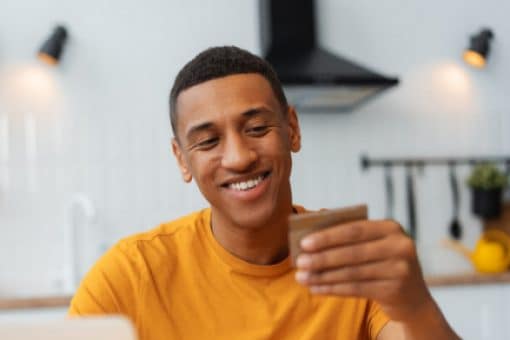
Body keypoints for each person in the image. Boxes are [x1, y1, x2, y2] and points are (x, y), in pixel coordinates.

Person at [69, 46, 459, 340]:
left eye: (256, 129)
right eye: (208, 142)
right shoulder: (129, 276)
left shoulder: (352, 258)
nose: (239, 158)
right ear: (182, 160)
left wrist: (415, 305)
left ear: (292, 129)